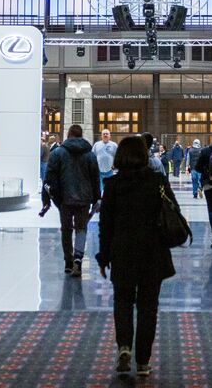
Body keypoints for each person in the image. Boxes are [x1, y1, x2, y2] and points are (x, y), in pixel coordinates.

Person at [96, 135, 178, 378]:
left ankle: (124, 347)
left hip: (122, 251)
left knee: (122, 301)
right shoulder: (157, 181)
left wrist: (103, 256)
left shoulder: (113, 185)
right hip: (152, 251)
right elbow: (172, 211)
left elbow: (105, 224)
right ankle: (143, 361)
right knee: (148, 306)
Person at [45, 124, 100, 277]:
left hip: (64, 198)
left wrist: (50, 197)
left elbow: (50, 176)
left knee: (66, 230)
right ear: (81, 135)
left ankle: (68, 262)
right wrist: (97, 198)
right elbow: (95, 179)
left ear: (68, 134)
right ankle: (78, 259)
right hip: (84, 198)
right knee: (81, 228)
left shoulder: (58, 153)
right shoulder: (90, 154)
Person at [93, 129, 118, 193]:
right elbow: (93, 156)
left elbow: (117, 156)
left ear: (110, 135)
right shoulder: (96, 145)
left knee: (109, 188)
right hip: (99, 171)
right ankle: (100, 200)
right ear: (101, 136)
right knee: (100, 188)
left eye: (107, 134)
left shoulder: (114, 145)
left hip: (110, 171)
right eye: (104, 134)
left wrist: (115, 165)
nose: (105, 135)